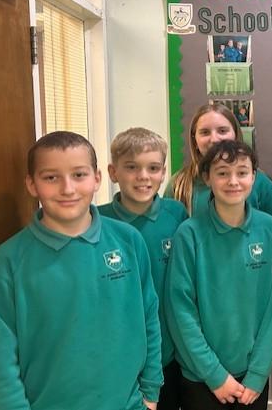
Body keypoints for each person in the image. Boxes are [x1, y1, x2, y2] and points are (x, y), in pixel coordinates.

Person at [0, 131, 163, 410]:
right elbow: (0, 364)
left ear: (97, 178)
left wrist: (151, 392)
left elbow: (150, 317)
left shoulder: (129, 240)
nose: (68, 189)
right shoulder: (7, 262)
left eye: (79, 175)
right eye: (51, 178)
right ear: (32, 184)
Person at [165, 140, 272, 410]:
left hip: (252, 377)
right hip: (202, 376)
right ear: (207, 178)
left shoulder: (270, 230)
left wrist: (258, 374)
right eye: (222, 173)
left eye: (242, 172)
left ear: (254, 176)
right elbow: (181, 312)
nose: (233, 181)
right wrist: (215, 375)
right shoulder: (189, 234)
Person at [98, 127, 188, 410]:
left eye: (153, 168)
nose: (143, 176)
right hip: (118, 356)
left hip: (169, 354)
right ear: (113, 172)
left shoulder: (177, 215)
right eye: (131, 167)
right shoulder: (97, 221)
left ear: (163, 173)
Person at [165, 103, 272, 259]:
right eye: (205, 132)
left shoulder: (261, 183)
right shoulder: (178, 185)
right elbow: (169, 245)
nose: (214, 139)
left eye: (222, 131)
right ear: (194, 140)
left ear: (235, 134)